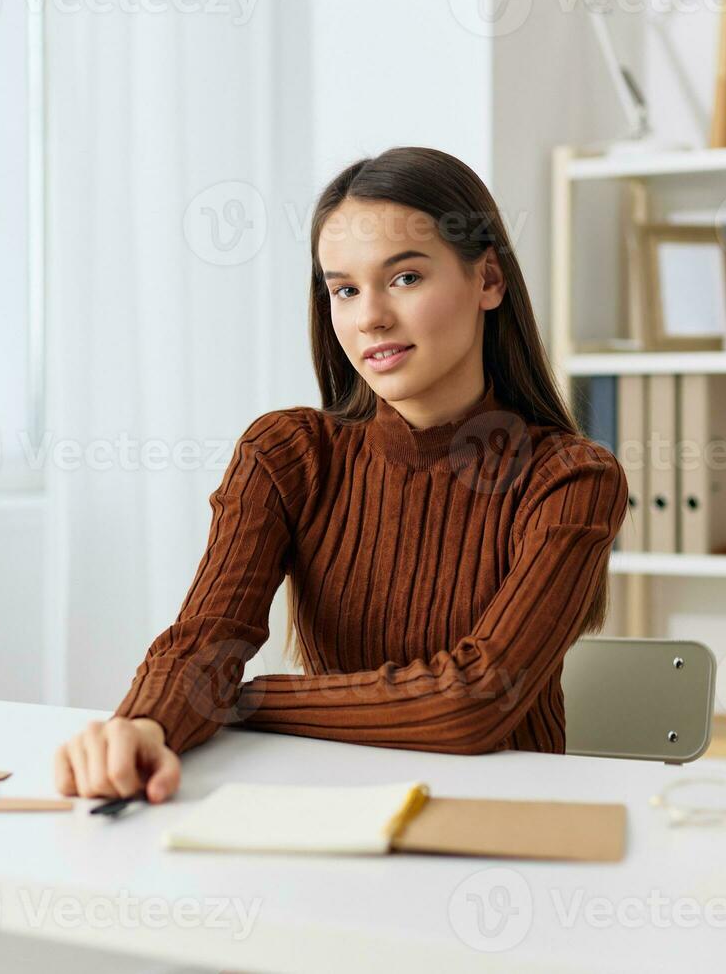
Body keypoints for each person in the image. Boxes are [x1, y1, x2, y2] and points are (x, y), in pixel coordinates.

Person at [53, 146, 627, 805]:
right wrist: (145, 722)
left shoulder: (571, 479)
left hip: (504, 831)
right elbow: (207, 640)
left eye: (405, 278)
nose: (370, 316)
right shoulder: (287, 454)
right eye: (345, 289)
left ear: (488, 280)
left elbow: (474, 699)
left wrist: (239, 701)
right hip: (334, 812)